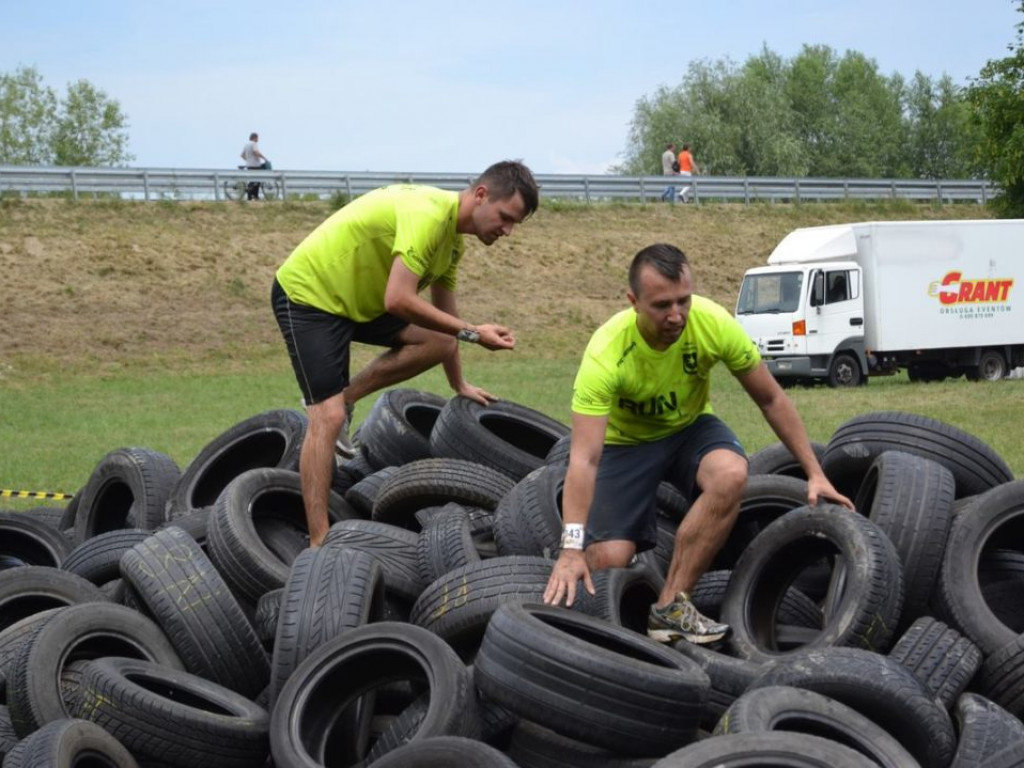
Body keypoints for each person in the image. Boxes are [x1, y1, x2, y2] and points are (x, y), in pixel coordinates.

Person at [542, 243, 853, 644]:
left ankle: (671, 608)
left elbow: (771, 398)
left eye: (683, 301)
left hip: (690, 428)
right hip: (627, 443)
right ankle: (567, 567)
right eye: (661, 305)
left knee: (731, 473)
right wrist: (571, 546)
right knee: (611, 559)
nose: (676, 315)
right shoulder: (606, 353)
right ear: (633, 302)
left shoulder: (711, 323)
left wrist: (814, 471)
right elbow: (584, 458)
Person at [272, 160, 539, 547]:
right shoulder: (428, 216)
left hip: (358, 302)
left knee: (441, 340)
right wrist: (474, 333)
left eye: (515, 223)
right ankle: (318, 541)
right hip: (309, 295)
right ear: (481, 195)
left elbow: (447, 320)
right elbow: (398, 299)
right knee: (325, 418)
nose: (508, 231)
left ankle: (344, 399)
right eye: (506, 217)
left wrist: (458, 381)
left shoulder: (452, 244)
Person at [240, 132, 270, 200]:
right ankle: (255, 196)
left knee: (253, 180)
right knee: (258, 179)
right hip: (255, 165)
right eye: (257, 138)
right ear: (254, 137)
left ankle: (250, 196)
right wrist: (264, 158)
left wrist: (247, 160)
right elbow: (256, 152)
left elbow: (242, 155)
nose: (258, 139)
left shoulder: (246, 145)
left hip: (249, 165)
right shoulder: (254, 143)